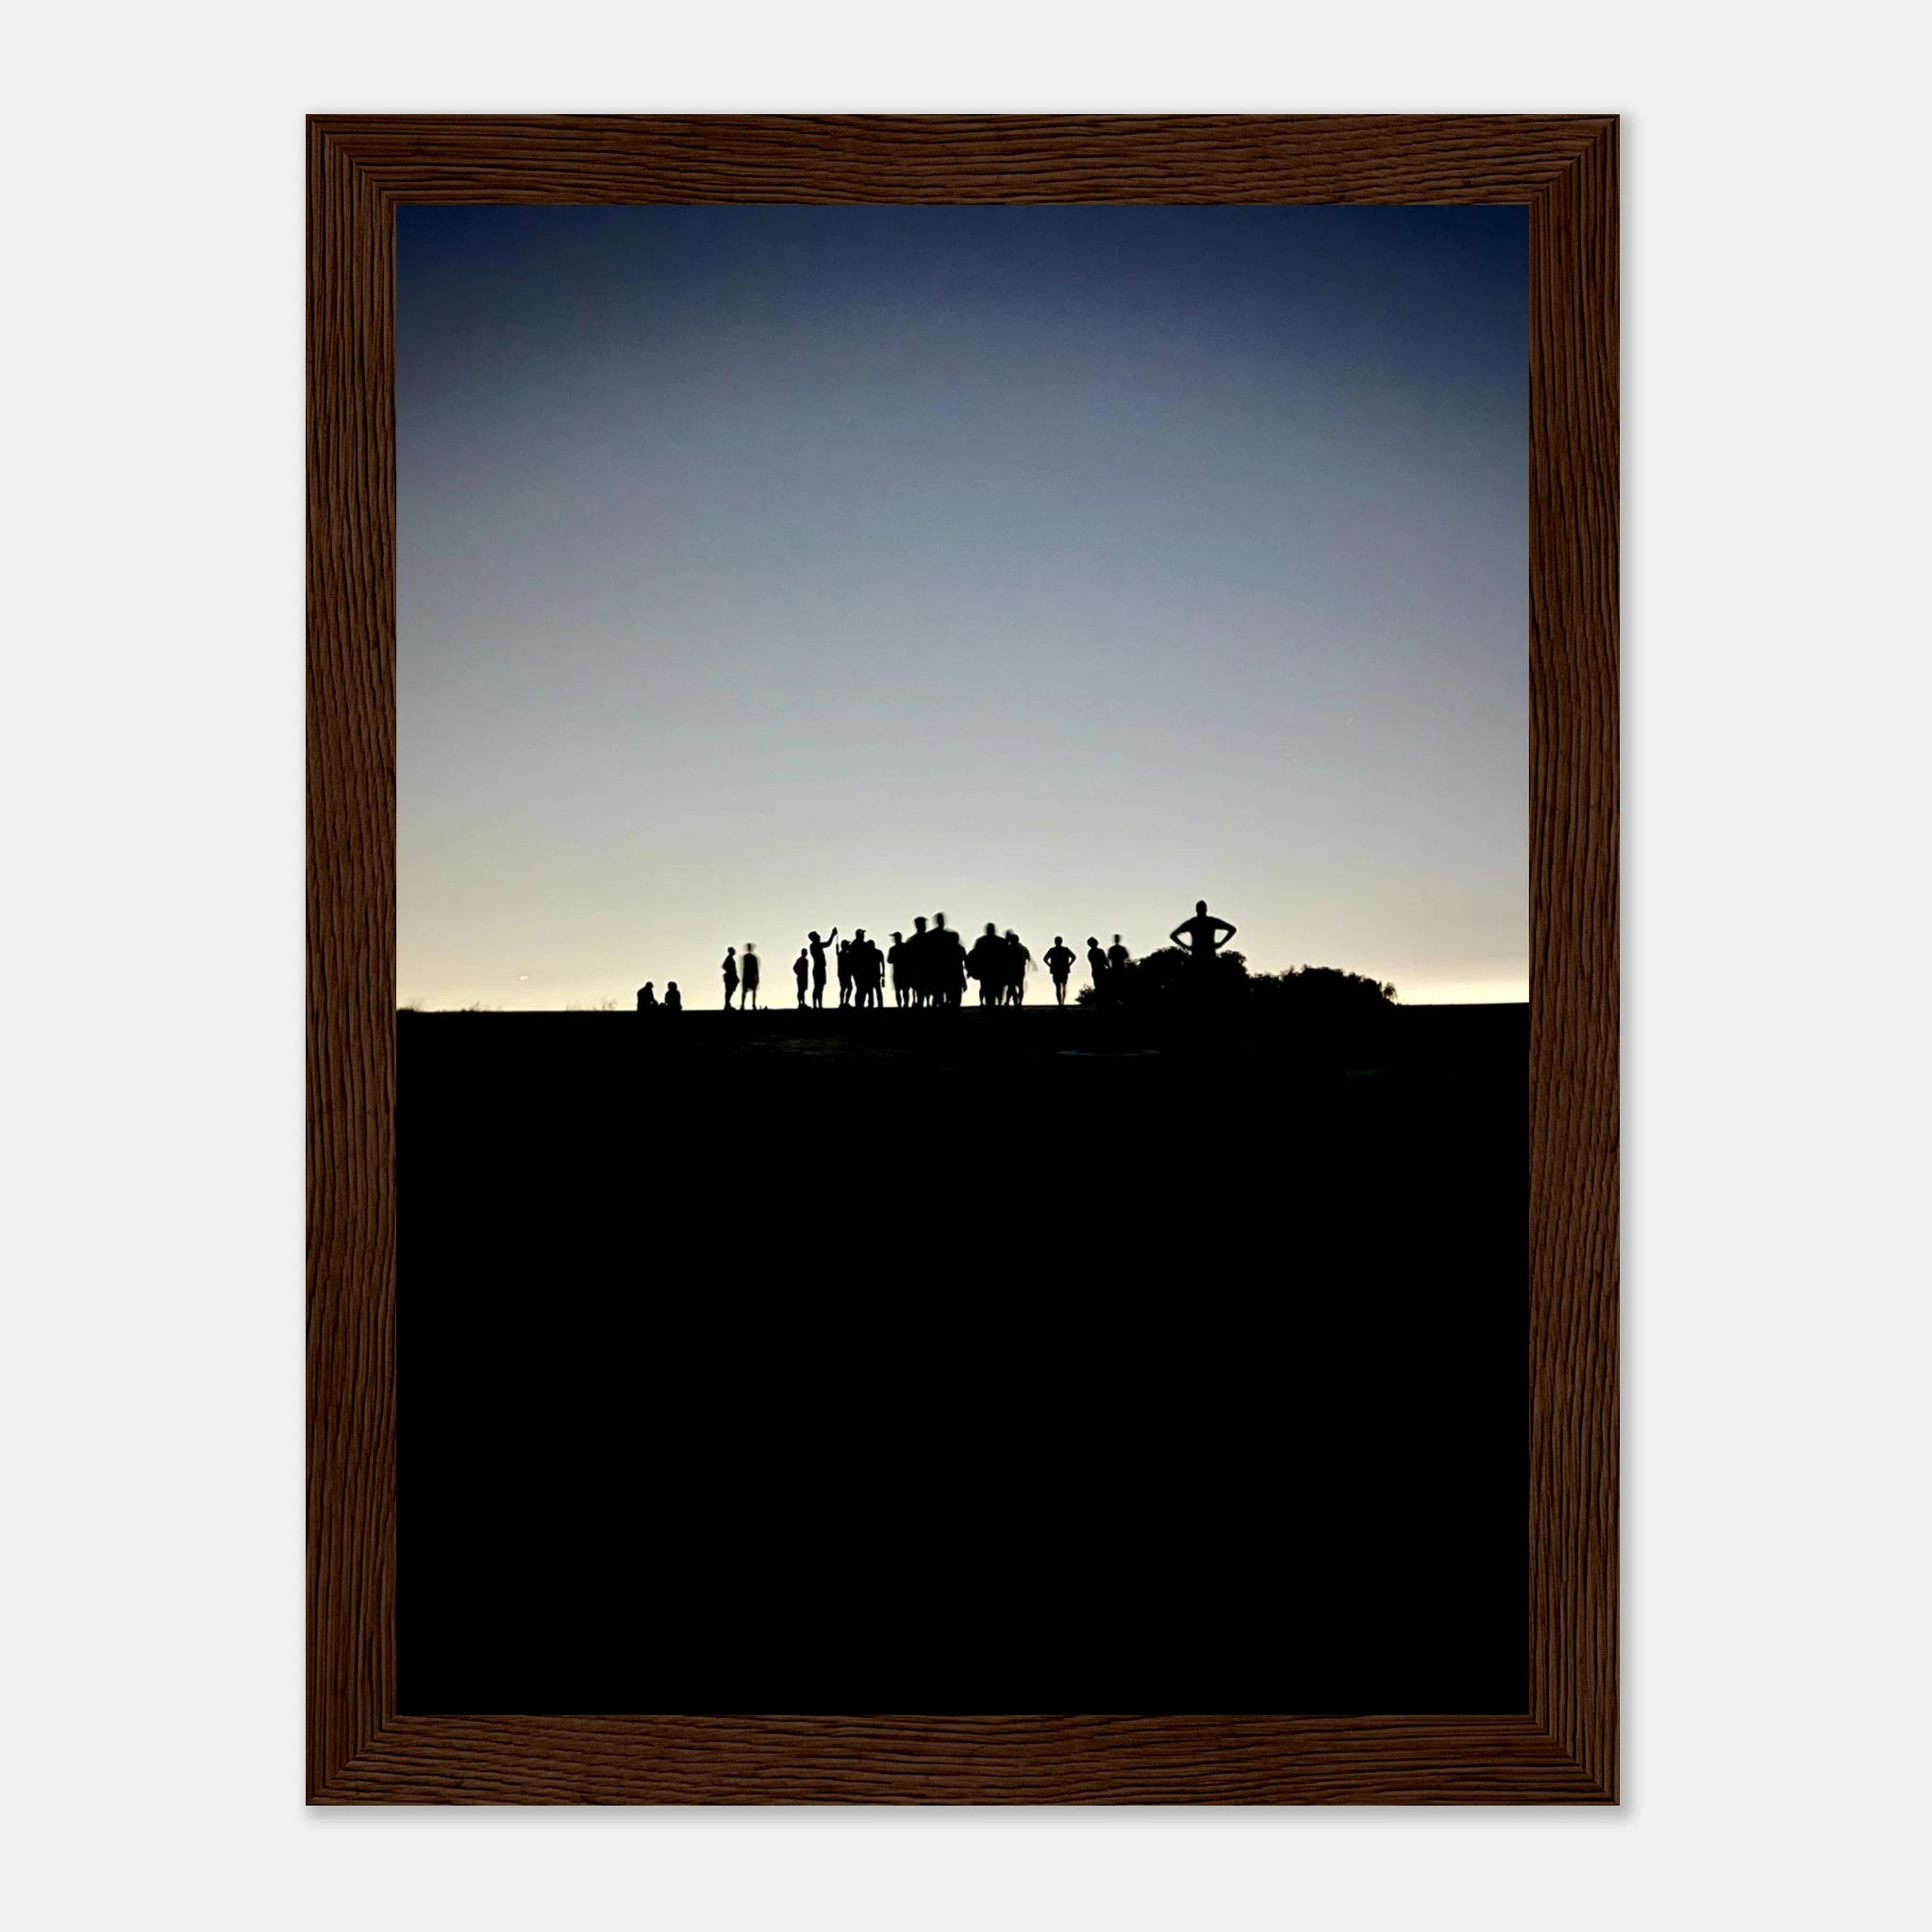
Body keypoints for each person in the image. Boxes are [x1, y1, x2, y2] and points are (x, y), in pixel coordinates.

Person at [1170, 899, 1236, 970]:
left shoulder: (1193, 922)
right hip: (1204, 956)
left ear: (1196, 909)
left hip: (1201, 956)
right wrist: (1221, 943)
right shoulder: (1209, 921)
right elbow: (1232, 929)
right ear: (1206, 909)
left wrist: (1186, 947)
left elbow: (1173, 935)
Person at [930, 913, 967, 1008]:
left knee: (941, 997)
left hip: (943, 973)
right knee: (949, 998)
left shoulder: (932, 936)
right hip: (946, 973)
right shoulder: (950, 938)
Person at [967, 923, 1006, 1008]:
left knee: (988, 989)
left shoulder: (981, 941)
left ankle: (990, 1005)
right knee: (995, 989)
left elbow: (973, 955)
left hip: (987, 970)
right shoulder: (1001, 941)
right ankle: (997, 1004)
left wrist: (971, 969)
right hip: (994, 970)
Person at [808, 928, 837, 1010]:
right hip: (818, 968)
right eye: (817, 935)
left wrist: (833, 935)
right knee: (818, 986)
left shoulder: (815, 945)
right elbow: (828, 943)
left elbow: (827, 944)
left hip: (820, 968)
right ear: (814, 938)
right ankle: (815, 1005)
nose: (819, 936)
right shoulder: (814, 945)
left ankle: (819, 1005)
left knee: (820, 986)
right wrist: (833, 935)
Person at [1042, 937, 1074, 1007]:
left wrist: (1050, 965)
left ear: (1055, 942)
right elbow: (1074, 957)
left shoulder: (1052, 950)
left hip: (1056, 970)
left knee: (1058, 987)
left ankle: (1060, 1002)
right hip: (1064, 970)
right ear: (1061, 941)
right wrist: (1069, 964)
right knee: (1063, 986)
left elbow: (1045, 959)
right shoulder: (1065, 950)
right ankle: (1062, 1001)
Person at [1003, 929, 1031, 1007]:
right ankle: (1019, 1003)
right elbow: (1028, 958)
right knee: (1020, 986)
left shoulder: (1009, 948)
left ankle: (1008, 1002)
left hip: (1011, 970)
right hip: (1021, 970)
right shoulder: (1023, 948)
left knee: (1011, 987)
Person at [888, 931, 908, 1008]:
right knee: (904, 990)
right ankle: (905, 1005)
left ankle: (900, 1006)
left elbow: (889, 960)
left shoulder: (893, 949)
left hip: (898, 972)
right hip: (904, 972)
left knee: (898, 990)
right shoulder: (905, 947)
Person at [1086, 936, 1109, 1003]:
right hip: (1101, 971)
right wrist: (1109, 968)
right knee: (1103, 987)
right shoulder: (1099, 951)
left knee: (1098, 987)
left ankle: (1100, 1002)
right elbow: (1105, 961)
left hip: (1095, 971)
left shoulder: (1090, 953)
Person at [741, 943, 760, 1011]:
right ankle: (751, 1005)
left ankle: (744, 1005)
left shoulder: (746, 957)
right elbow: (756, 968)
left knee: (745, 991)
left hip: (747, 975)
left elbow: (755, 968)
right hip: (750, 975)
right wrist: (757, 977)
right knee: (750, 991)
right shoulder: (753, 958)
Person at [721, 945, 739, 1011]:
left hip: (731, 976)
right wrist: (730, 971)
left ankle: (727, 1004)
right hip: (730, 977)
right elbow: (724, 966)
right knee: (729, 991)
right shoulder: (729, 959)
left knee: (729, 991)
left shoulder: (730, 959)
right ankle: (727, 1005)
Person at [836, 939, 853, 1008]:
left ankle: (844, 1003)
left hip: (843, 973)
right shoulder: (844, 954)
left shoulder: (841, 954)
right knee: (846, 988)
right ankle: (844, 1003)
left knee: (846, 988)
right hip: (844, 973)